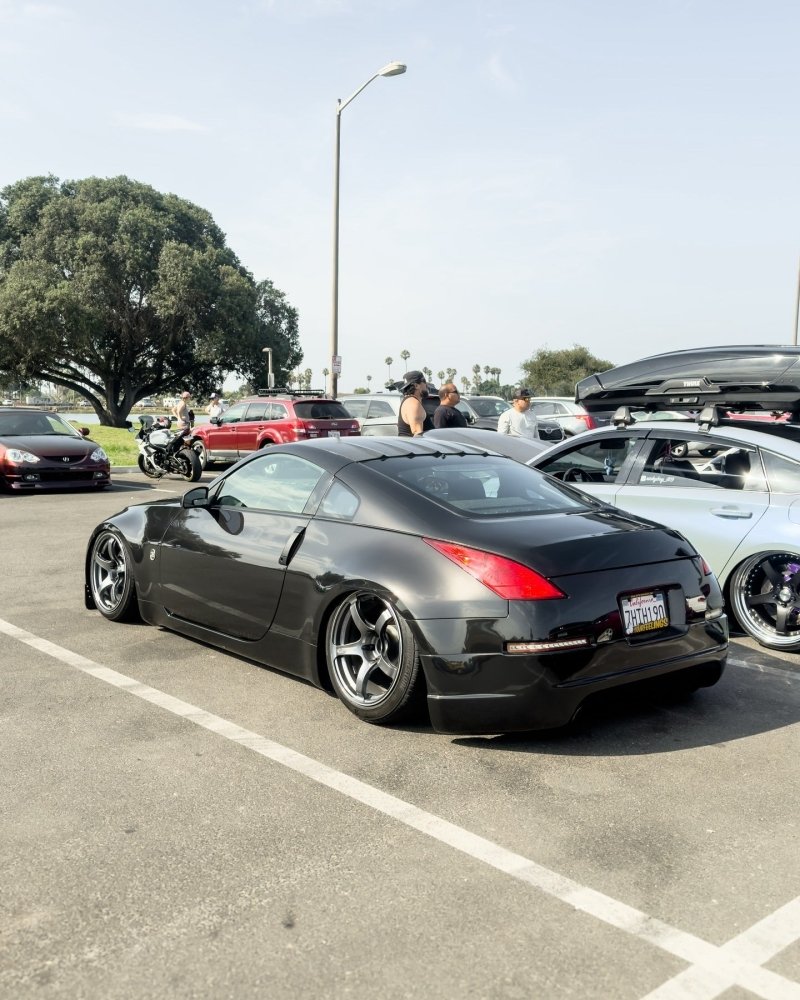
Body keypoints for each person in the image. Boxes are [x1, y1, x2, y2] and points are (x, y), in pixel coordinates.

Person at [397, 370, 434, 437]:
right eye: (424, 381)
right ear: (416, 386)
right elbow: (417, 434)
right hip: (414, 444)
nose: (426, 385)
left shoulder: (410, 401)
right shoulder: (413, 403)